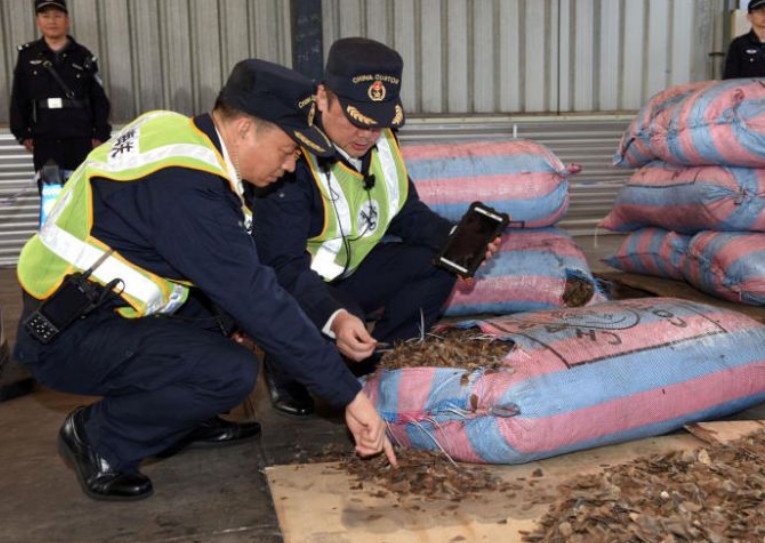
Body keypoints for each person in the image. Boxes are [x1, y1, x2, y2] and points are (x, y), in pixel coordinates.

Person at [13, 58, 396, 502]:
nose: (291, 167)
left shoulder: (182, 134)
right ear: (246, 129)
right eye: (290, 150)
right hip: (64, 333)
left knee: (225, 319)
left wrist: (331, 317)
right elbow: (257, 298)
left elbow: (260, 268)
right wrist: (349, 394)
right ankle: (98, 438)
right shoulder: (186, 189)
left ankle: (183, 418)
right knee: (229, 371)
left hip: (93, 306)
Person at [251, 37, 499, 416]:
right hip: (302, 282)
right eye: (355, 119)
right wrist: (335, 318)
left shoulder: (381, 142)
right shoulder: (290, 157)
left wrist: (455, 239)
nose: (367, 135)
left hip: (355, 271)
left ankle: (386, 358)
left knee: (438, 261)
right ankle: (286, 367)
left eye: (379, 122)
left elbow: (404, 211)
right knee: (331, 332)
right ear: (322, 97)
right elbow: (281, 267)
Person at [9, 0, 111, 193]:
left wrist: (100, 133)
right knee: (51, 195)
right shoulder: (27, 56)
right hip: (45, 139)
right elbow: (19, 97)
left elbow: (98, 99)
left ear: (67, 20)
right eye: (45, 16)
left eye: (57, 16)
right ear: (38, 21)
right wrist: (22, 133)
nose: (52, 21)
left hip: (80, 138)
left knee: (81, 194)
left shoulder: (84, 56)